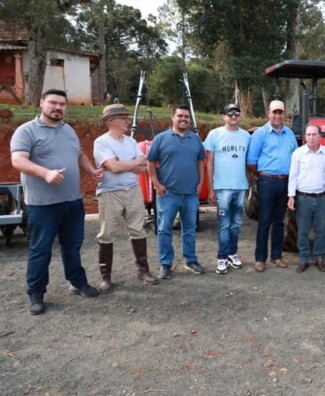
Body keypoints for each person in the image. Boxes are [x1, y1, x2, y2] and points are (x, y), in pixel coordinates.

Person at [10, 88, 103, 315]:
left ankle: (77, 282)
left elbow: (79, 155)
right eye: (53, 103)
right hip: (42, 205)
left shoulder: (68, 130)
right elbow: (18, 160)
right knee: (40, 249)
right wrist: (45, 173)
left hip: (72, 201)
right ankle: (36, 294)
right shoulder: (26, 131)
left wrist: (91, 170)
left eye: (62, 104)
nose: (58, 108)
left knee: (72, 246)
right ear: (42, 103)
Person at [92, 104, 159, 292]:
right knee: (106, 233)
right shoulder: (101, 142)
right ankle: (106, 278)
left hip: (133, 190)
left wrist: (123, 164)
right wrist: (129, 164)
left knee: (138, 230)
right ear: (111, 121)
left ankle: (143, 271)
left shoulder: (131, 142)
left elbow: (143, 166)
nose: (127, 122)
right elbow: (113, 168)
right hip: (110, 192)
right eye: (123, 118)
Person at [147, 104, 206, 279]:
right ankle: (165, 264)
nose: (183, 119)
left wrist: (201, 183)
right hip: (168, 194)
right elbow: (150, 162)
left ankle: (191, 260)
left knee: (189, 228)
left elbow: (201, 162)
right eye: (180, 116)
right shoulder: (161, 139)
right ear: (172, 118)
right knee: (164, 229)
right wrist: (156, 184)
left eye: (186, 117)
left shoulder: (195, 139)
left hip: (190, 194)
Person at [247, 100, 298, 272]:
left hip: (285, 181)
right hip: (267, 180)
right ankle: (260, 258)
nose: (277, 116)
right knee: (265, 221)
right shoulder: (260, 134)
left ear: (284, 114)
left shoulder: (290, 134)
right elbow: (251, 161)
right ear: (268, 113)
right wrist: (263, 176)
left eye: (280, 112)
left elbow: (296, 158)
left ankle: (276, 256)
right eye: (274, 112)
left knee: (279, 221)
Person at [204, 103, 250, 274]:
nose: (233, 116)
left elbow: (247, 161)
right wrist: (210, 188)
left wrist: (249, 183)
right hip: (222, 187)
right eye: (229, 113)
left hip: (240, 187)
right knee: (224, 224)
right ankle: (222, 257)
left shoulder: (246, 136)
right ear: (224, 116)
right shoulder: (215, 135)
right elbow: (209, 163)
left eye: (236, 113)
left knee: (236, 224)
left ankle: (233, 253)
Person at [287, 124, 325, 273]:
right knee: (303, 230)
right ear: (305, 136)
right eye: (308, 135)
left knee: (320, 230)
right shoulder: (298, 153)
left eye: (314, 134)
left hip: (321, 198)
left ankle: (319, 257)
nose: (311, 137)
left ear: (319, 136)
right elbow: (293, 175)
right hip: (303, 198)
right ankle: (303, 258)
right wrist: (291, 195)